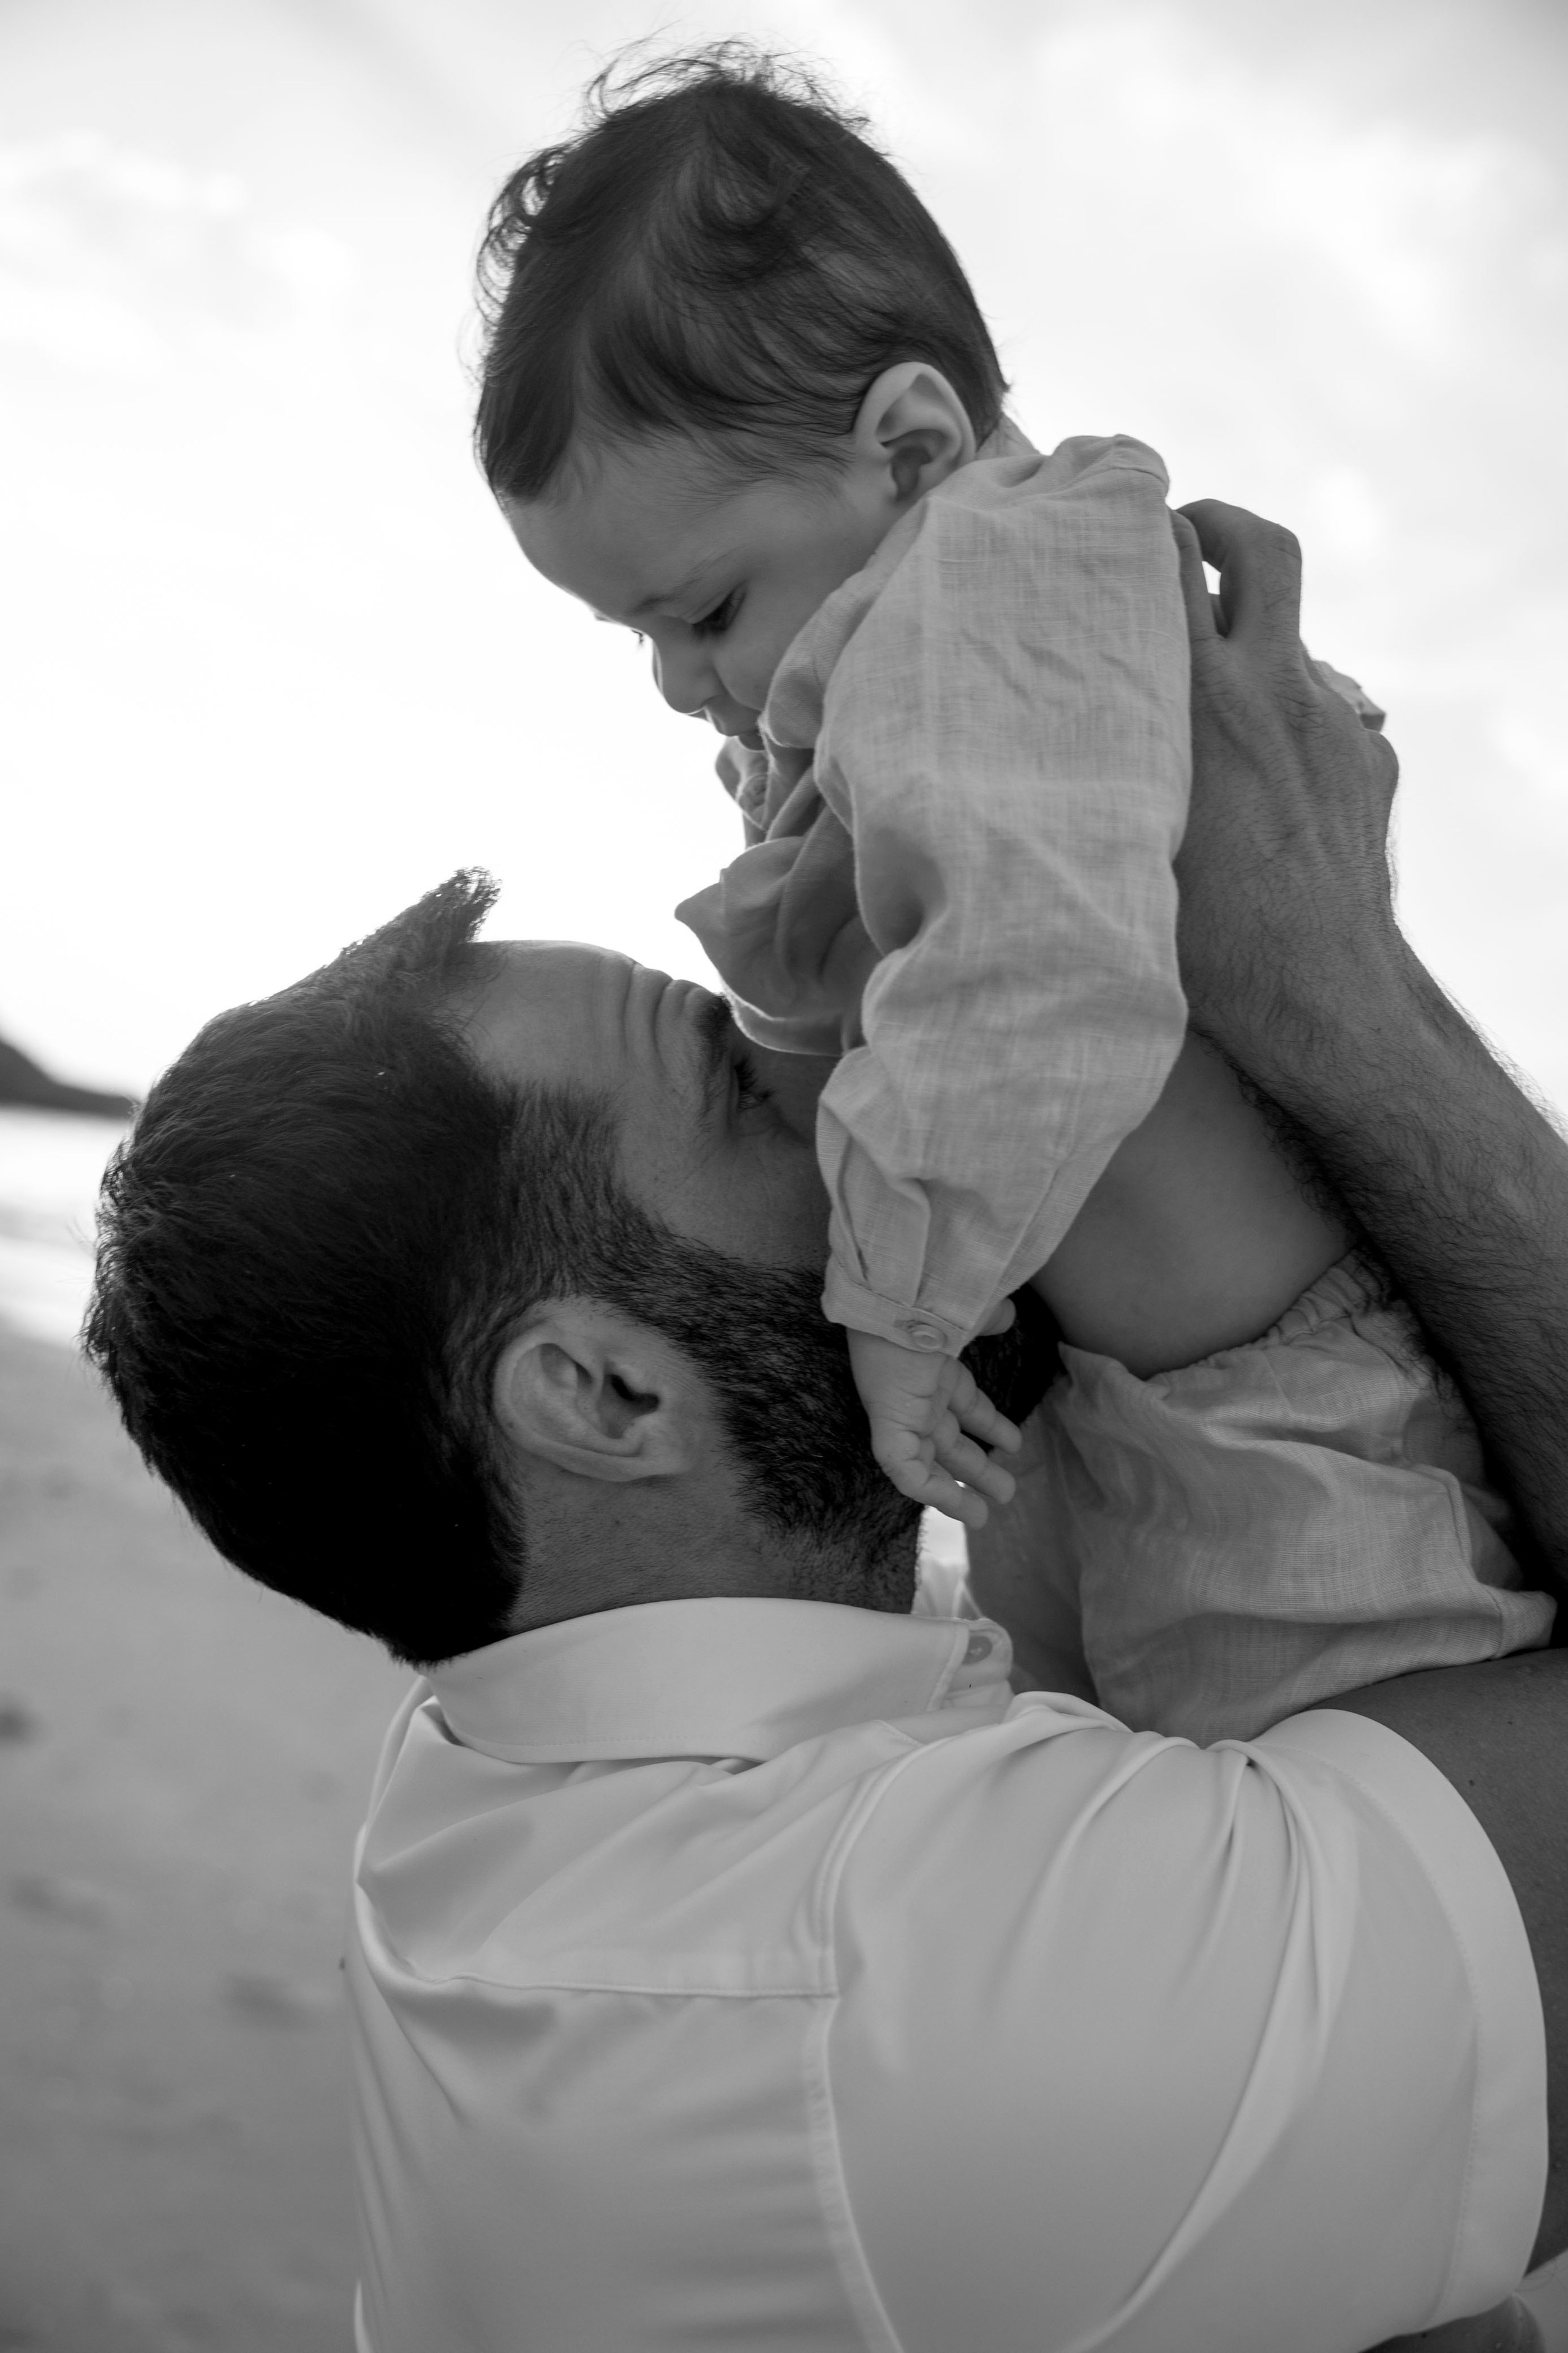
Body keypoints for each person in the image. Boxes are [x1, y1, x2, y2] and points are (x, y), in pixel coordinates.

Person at [83, 501, 1567, 2350]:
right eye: (738, 1076)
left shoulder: (522, 1758)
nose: (852, 1077)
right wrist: (1333, 973)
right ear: (605, 1394)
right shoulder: (902, 2009)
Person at [472, 48, 1550, 1747]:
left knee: (1355, 1819)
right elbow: (888, 983)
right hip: (1156, 1413)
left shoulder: (1003, 587)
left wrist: (900, 1315)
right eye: (643, 641)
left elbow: (1031, 980)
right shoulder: (949, 656)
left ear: (909, 450)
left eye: (701, 611)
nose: (684, 682)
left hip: (1297, 1443)